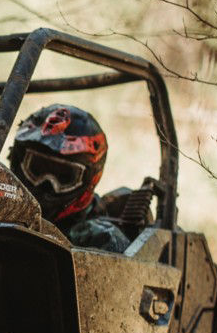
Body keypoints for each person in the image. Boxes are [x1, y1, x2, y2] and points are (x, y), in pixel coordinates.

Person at [8, 104, 132, 253]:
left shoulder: (101, 241)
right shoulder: (0, 210)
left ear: (90, 180)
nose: (47, 184)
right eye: (38, 169)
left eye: (63, 176)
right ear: (18, 163)